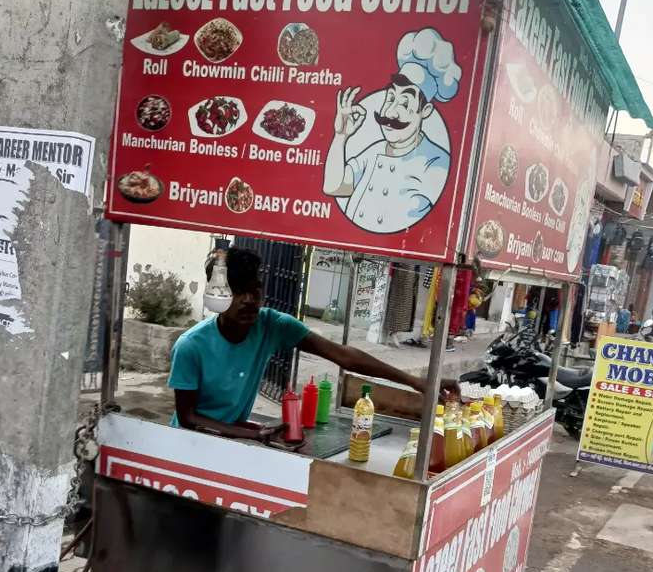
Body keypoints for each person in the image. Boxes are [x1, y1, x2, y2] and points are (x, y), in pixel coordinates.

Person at [169, 248, 448, 440]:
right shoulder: (191, 346)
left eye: (254, 289)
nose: (249, 300)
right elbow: (188, 417)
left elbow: (345, 356)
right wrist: (255, 433)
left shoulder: (272, 324)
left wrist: (415, 381)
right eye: (237, 291)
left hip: (234, 437)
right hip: (188, 444)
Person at [323, 28, 460, 234]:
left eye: (405, 103)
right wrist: (340, 137)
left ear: (425, 111)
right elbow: (333, 187)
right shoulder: (375, 151)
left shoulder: (437, 164)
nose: (390, 111)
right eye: (391, 98)